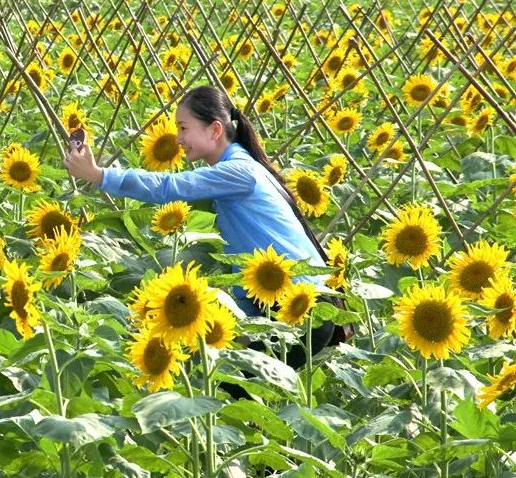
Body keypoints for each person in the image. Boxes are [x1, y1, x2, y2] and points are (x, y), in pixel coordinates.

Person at [62, 85, 343, 370]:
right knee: (229, 384)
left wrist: (100, 176)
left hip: (298, 308)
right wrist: (239, 329)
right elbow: (245, 259)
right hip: (284, 303)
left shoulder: (238, 172)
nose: (178, 139)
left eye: (184, 128)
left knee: (235, 391)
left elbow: (169, 187)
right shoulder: (243, 168)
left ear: (214, 130)